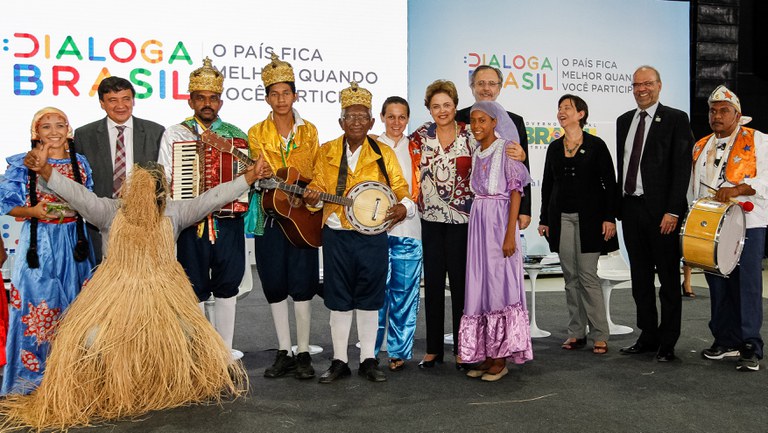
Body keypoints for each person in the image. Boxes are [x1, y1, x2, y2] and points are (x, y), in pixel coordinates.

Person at [0, 143, 271, 430]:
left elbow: (212, 198)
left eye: (156, 192)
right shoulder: (108, 212)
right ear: (129, 190)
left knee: (188, 334)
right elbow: (76, 194)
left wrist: (250, 176)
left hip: (164, 294)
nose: (149, 200)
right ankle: (105, 387)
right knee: (92, 339)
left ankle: (168, 382)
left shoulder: (174, 213)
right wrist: (44, 170)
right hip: (115, 294)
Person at [303, 82, 413, 383]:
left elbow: (401, 190)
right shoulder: (326, 152)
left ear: (371, 121)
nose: (355, 122)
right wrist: (312, 198)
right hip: (337, 234)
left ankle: (368, 359)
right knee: (339, 297)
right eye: (349, 117)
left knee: (370, 296)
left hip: (372, 237)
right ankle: (339, 360)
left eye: (362, 116)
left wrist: (404, 207)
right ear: (341, 121)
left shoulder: (383, 153)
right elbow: (317, 190)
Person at [157, 57, 250, 361]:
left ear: (220, 101)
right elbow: (166, 178)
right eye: (201, 98)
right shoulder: (176, 134)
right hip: (191, 224)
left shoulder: (237, 135)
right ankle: (197, 350)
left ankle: (223, 350)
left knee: (227, 286)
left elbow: (248, 180)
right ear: (190, 100)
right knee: (192, 286)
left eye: (212, 98)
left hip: (230, 222)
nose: (207, 104)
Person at [0, 107, 94, 395]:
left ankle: (74, 380)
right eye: (46, 127)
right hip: (38, 244)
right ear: (35, 133)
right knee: (35, 309)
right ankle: (30, 382)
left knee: (78, 309)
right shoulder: (22, 164)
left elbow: (88, 201)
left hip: (75, 242)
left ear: (69, 130)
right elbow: (6, 204)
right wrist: (34, 211)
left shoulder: (81, 163)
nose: (53, 132)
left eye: (59, 125)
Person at [248, 53, 320, 380]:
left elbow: (316, 175)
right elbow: (253, 175)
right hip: (270, 219)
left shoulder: (311, 132)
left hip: (302, 218)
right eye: (274, 94)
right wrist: (257, 175)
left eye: (286, 93)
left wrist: (309, 192)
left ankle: (303, 351)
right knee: (275, 284)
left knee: (303, 284)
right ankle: (283, 350)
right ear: (266, 97)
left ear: (295, 95)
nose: (280, 99)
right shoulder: (255, 133)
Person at [616, 66, 694, 362]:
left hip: (663, 214)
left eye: (647, 83)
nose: (641, 89)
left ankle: (668, 341)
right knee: (640, 279)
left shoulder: (675, 118)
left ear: (659, 85)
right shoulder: (624, 121)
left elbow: (681, 167)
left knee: (669, 282)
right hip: (631, 210)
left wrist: (674, 210)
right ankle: (648, 335)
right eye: (636, 84)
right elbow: (624, 165)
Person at [692, 85, 767, 372]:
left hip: (748, 223)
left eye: (724, 111)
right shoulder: (701, 146)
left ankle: (750, 344)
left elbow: (766, 180)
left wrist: (738, 189)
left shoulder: (758, 140)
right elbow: (694, 189)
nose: (717, 115)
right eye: (713, 110)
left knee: (746, 284)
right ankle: (725, 339)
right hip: (712, 224)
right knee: (718, 283)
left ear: (737, 115)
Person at [458, 101, 532, 381]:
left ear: (494, 122)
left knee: (499, 288)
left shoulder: (507, 149)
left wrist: (510, 234)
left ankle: (501, 358)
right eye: (473, 121)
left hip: (500, 224)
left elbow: (516, 192)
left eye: (483, 121)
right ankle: (487, 354)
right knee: (482, 288)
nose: (477, 126)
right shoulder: (477, 153)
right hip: (479, 225)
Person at [538, 94, 618, 355]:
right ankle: (576, 332)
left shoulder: (596, 145)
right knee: (570, 278)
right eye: (559, 108)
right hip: (561, 220)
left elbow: (609, 184)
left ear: (581, 114)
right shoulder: (554, 147)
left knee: (587, 276)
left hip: (591, 220)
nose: (561, 112)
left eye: (567, 108)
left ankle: (599, 334)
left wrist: (609, 217)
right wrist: (543, 219)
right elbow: (548, 186)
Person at [410, 80, 472, 369]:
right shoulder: (420, 136)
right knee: (433, 284)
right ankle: (433, 349)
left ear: (455, 105)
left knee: (461, 286)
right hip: (430, 221)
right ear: (429, 109)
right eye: (436, 106)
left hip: (463, 221)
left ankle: (463, 349)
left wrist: (519, 154)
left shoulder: (471, 134)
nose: (442, 110)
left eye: (447, 105)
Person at [74, 76, 164, 264]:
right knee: (105, 275)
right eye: (112, 100)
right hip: (101, 219)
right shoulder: (84, 135)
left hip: (144, 220)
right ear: (102, 103)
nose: (120, 105)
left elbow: (162, 179)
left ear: (133, 101)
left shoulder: (156, 131)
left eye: (126, 99)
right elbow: (79, 180)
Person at [372, 96, 422, 372]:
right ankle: (370, 349)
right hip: (375, 233)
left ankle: (399, 351)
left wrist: (407, 209)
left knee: (404, 294)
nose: (396, 122)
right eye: (391, 116)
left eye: (402, 117)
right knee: (376, 295)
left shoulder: (416, 149)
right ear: (381, 117)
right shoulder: (369, 147)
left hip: (410, 231)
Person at [455, 65, 531, 230]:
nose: (486, 88)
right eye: (481, 83)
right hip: (460, 205)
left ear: (499, 88)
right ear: (472, 87)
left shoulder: (515, 122)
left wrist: (524, 210)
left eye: (492, 83)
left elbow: (522, 167)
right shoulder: (458, 118)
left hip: (500, 210)